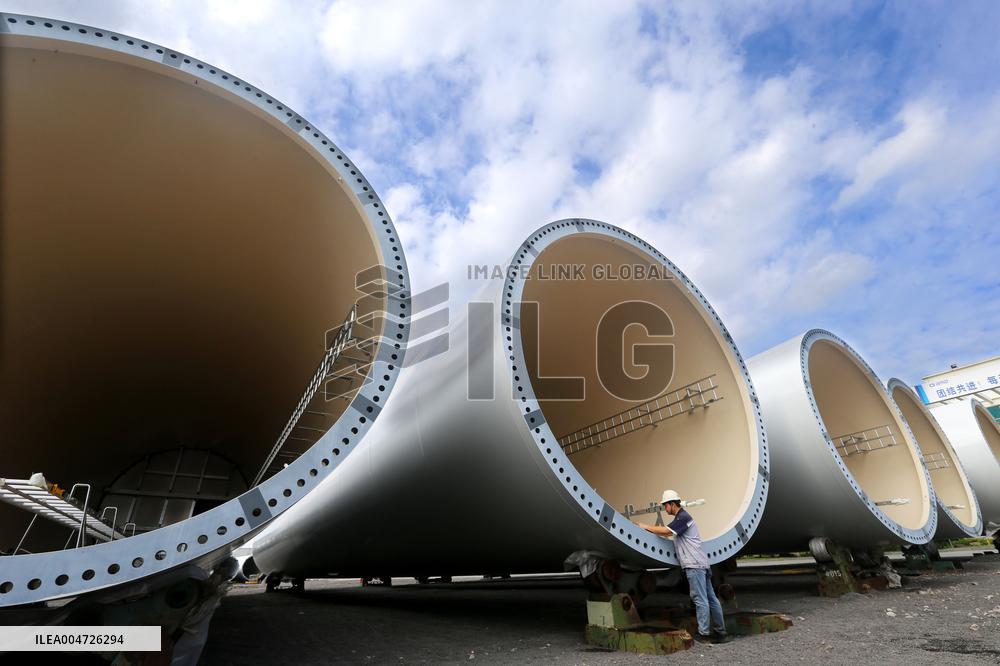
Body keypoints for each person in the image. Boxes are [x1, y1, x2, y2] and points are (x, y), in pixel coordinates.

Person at [636, 489, 729, 644]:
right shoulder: (683, 518)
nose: (664, 509)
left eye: (665, 505)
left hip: (694, 565)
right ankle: (721, 632)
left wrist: (644, 526)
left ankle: (704, 634)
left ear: (673, 504)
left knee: (700, 599)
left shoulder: (683, 517)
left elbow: (665, 531)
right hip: (702, 564)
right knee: (711, 599)